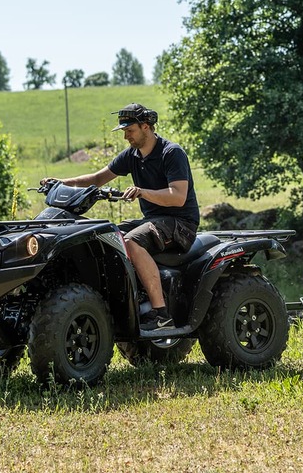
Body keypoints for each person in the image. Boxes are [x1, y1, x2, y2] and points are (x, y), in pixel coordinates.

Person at [41, 103, 199, 331]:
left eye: (129, 130)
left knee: (132, 241)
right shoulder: (132, 156)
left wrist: (143, 191)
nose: (125, 136)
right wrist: (61, 182)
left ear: (146, 126)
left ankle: (161, 315)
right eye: (124, 131)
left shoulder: (171, 153)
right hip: (153, 222)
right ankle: (129, 302)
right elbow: (97, 178)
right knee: (107, 236)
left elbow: (178, 197)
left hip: (180, 224)